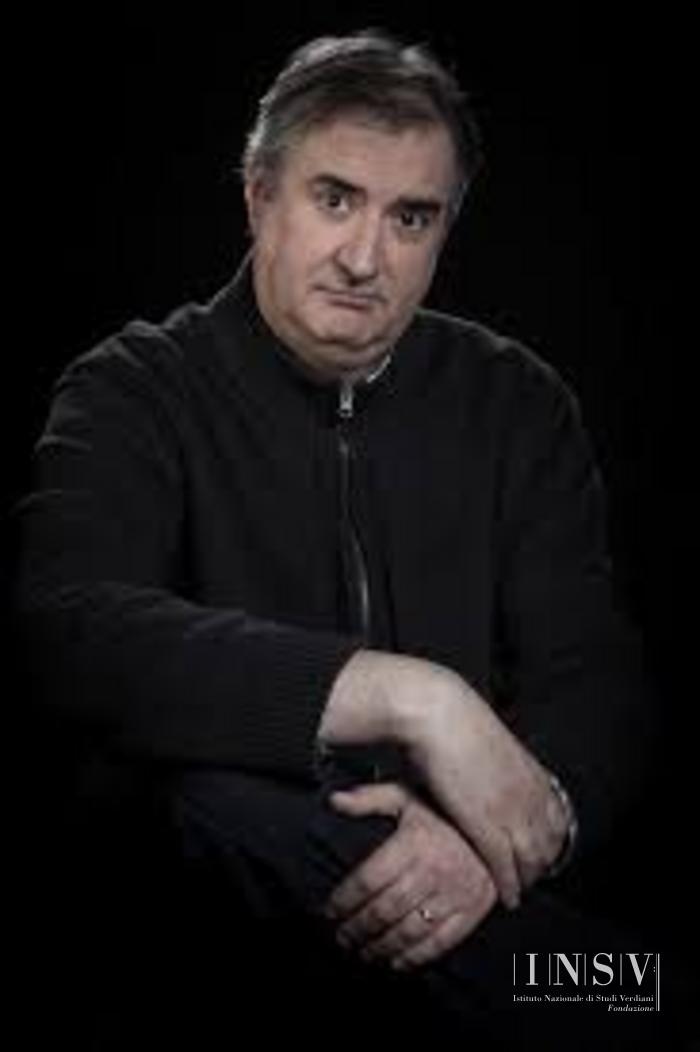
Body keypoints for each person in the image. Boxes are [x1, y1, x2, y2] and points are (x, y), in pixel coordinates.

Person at [13, 28, 678, 1049]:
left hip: (471, 922)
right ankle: (634, 999)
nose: (367, 259)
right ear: (258, 197)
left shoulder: (514, 402)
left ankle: (614, 992)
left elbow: (598, 684)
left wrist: (486, 845)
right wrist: (413, 695)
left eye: (411, 218)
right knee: (203, 801)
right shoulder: (133, 391)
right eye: (334, 199)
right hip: (211, 958)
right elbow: (69, 632)